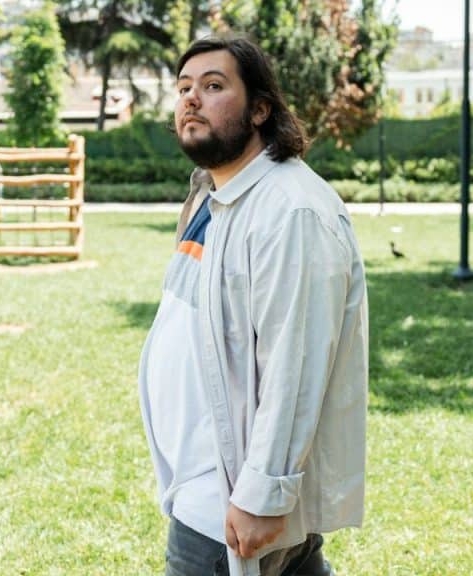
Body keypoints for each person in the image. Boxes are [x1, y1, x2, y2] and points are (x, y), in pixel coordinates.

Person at [137, 35, 368, 576]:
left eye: (214, 86)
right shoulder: (215, 196)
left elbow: (298, 363)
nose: (191, 99)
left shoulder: (290, 211)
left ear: (260, 109)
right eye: (184, 88)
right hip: (203, 484)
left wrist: (263, 493)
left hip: (230, 504)